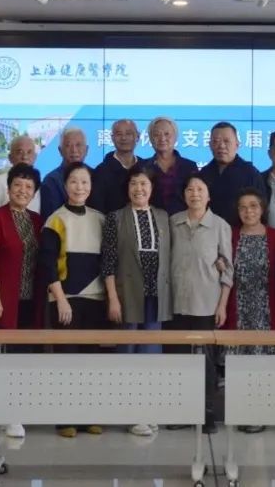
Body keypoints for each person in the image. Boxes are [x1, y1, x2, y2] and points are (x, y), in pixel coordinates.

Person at [101, 164, 173, 437]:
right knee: (128, 354)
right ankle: (130, 414)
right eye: (133, 184)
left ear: (152, 188)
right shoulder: (116, 218)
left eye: (144, 183)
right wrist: (113, 298)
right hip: (127, 295)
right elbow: (108, 262)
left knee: (152, 355)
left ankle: (148, 410)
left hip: (157, 295)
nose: (138, 189)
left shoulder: (163, 217)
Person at [40, 162, 107, 439]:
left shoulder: (100, 219)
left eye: (85, 182)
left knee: (91, 359)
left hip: (95, 298)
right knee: (66, 359)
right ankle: (65, 419)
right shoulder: (55, 220)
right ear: (65, 185)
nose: (80, 187)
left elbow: (107, 261)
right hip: (65, 299)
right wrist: (60, 299)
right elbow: (47, 264)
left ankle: (89, 416)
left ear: (91, 187)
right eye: (74, 182)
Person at [0, 163, 43, 440]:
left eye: (29, 187)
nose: (22, 190)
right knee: (0, 356)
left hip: (30, 299)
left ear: (34, 193)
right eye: (17, 185)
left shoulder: (37, 221)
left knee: (23, 355)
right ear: (8, 189)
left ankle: (17, 410)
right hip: (4, 298)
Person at [168, 174, 233, 434]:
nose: (195, 193)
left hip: (206, 303)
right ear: (184, 195)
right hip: (176, 302)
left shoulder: (220, 225)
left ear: (209, 196)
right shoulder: (173, 222)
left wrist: (222, 305)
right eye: (190, 189)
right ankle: (183, 411)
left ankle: (206, 413)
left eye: (200, 189)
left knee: (205, 361)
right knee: (179, 359)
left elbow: (228, 270)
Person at [226, 189, 275, 429]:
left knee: (264, 363)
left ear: (262, 209)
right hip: (238, 308)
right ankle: (240, 412)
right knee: (238, 363)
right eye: (243, 207)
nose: (248, 211)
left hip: (267, 309)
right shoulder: (230, 235)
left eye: (253, 206)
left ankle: (261, 413)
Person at [199, 122, 265, 224]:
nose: (221, 146)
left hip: (240, 231)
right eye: (216, 141)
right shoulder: (204, 173)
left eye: (226, 141)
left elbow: (261, 209)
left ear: (237, 144)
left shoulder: (250, 173)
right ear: (210, 145)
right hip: (209, 231)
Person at [142, 116, 197, 215]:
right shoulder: (142, 167)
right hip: (151, 220)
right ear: (150, 138)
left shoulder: (189, 167)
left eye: (167, 134)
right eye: (156, 134)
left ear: (175, 137)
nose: (162, 138)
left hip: (182, 221)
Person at [91, 119, 140, 214]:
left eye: (128, 133)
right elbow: (97, 211)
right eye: (119, 134)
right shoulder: (101, 172)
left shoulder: (145, 167)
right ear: (112, 138)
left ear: (137, 137)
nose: (124, 138)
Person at [0, 135, 41, 215]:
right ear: (10, 157)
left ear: (35, 157)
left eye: (29, 152)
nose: (25, 157)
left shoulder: (39, 184)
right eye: (19, 152)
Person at [40, 127, 88, 219]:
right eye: (68, 145)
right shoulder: (51, 181)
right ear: (60, 150)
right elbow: (49, 220)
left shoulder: (96, 176)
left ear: (86, 150)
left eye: (78, 145)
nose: (74, 150)